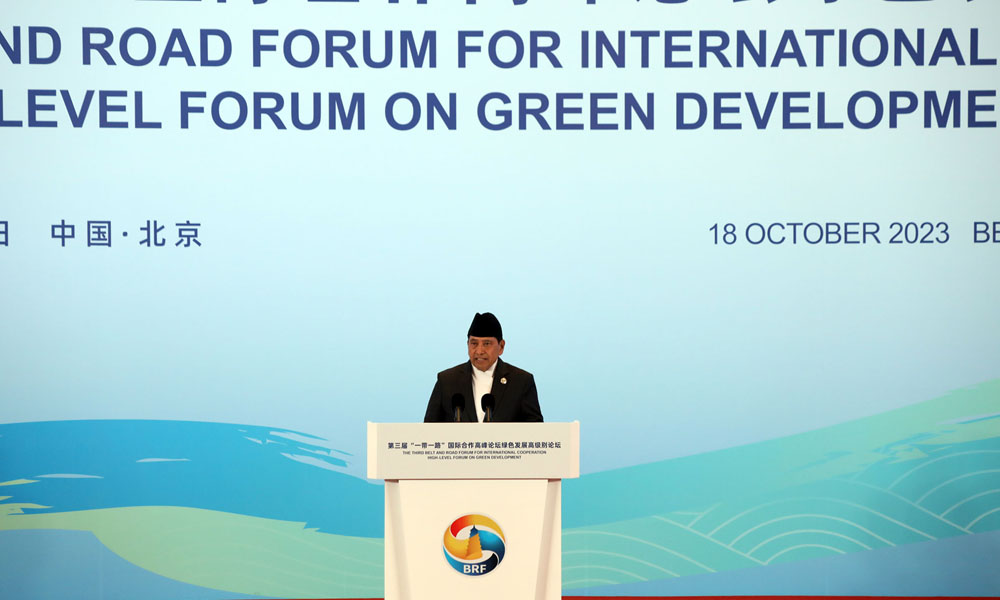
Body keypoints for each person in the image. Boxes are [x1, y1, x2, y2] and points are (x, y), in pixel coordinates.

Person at [423, 312, 543, 422]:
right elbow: (429, 428)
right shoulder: (447, 380)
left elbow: (536, 429)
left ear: (501, 346)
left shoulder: (521, 381)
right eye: (474, 343)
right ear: (467, 344)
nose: (479, 351)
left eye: (486, 344)